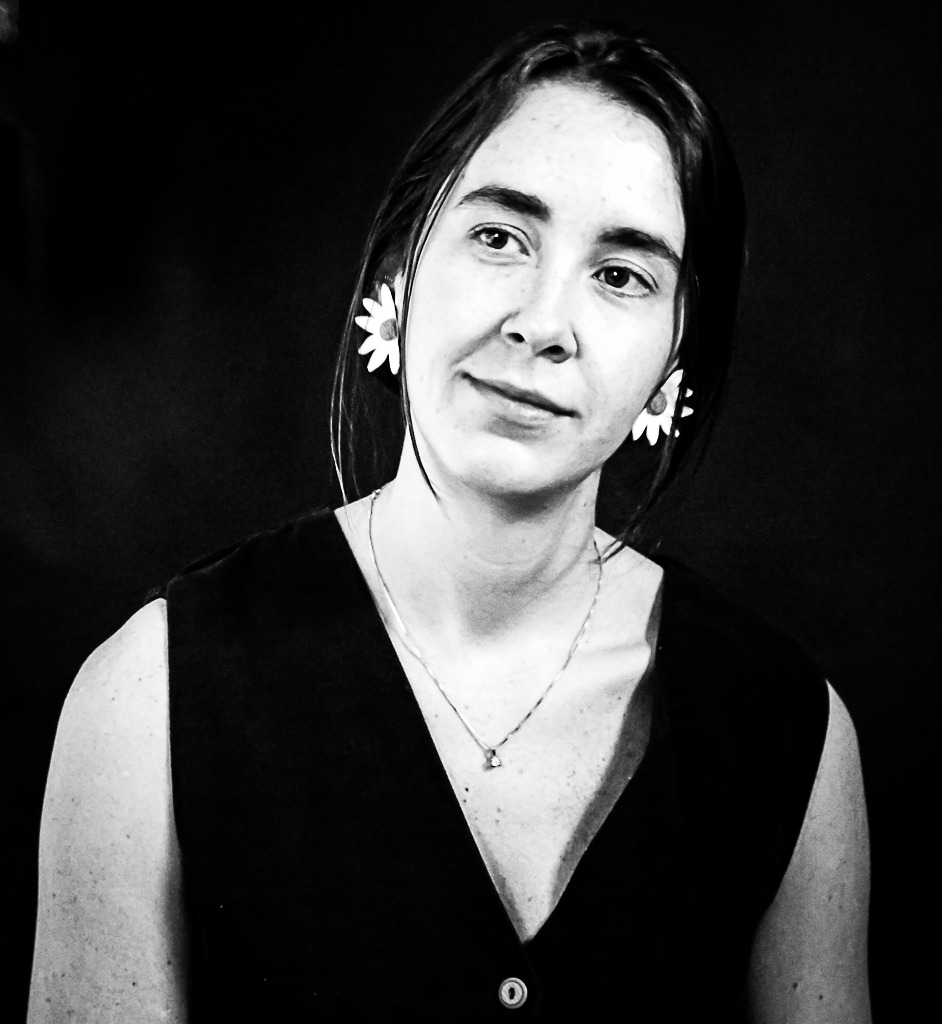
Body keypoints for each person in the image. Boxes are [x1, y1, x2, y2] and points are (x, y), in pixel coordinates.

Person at [27, 21, 870, 1023]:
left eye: (622, 274)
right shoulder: (147, 701)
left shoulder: (788, 734)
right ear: (401, 270)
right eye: (501, 236)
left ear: (674, 363)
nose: (541, 323)